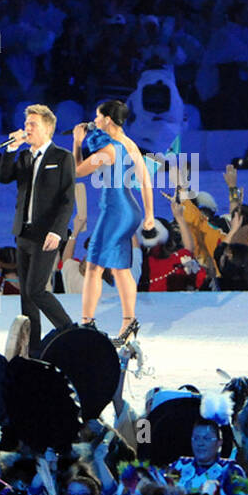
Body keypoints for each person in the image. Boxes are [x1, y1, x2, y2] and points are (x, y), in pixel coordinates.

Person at [72, 100, 156, 345]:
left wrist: (77, 142)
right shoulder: (128, 144)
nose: (95, 121)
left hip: (116, 211)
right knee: (120, 269)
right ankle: (129, 323)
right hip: (130, 210)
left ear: (108, 119)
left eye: (98, 116)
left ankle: (87, 323)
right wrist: (149, 214)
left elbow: (77, 171)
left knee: (93, 267)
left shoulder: (109, 150)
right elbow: (145, 180)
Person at [0, 103, 76, 336]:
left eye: (32, 124)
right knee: (26, 295)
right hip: (24, 232)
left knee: (36, 290)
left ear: (47, 128)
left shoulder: (62, 157)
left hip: (47, 234)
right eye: (26, 124)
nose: (27, 128)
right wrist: (11, 149)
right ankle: (33, 346)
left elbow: (67, 198)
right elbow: (3, 177)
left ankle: (70, 331)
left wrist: (57, 231)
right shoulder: (23, 157)